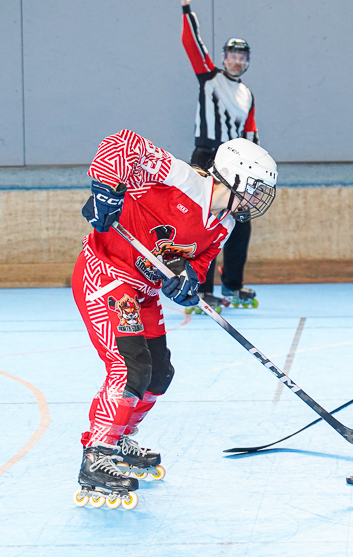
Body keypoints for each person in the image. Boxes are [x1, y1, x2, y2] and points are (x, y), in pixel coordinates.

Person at [73, 129, 277, 508]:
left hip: (143, 293)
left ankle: (119, 438)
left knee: (160, 373)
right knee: (129, 367)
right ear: (233, 176)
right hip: (107, 274)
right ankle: (96, 454)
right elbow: (121, 143)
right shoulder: (179, 177)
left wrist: (188, 282)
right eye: (254, 187)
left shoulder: (225, 224)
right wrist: (106, 190)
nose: (255, 198)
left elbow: (196, 264)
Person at [176, 0, 261, 311]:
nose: (236, 60)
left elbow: (252, 133)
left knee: (241, 222)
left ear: (247, 61)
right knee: (206, 224)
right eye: (232, 55)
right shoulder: (210, 78)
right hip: (207, 156)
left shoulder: (247, 94)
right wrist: (187, 7)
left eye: (242, 56)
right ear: (224, 57)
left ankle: (232, 285)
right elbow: (192, 44)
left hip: (236, 163)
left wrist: (255, 172)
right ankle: (200, 288)